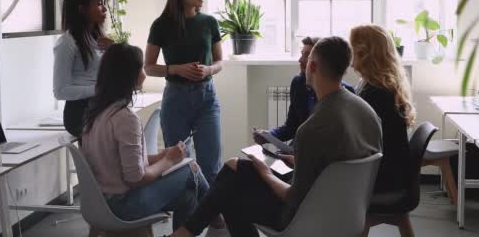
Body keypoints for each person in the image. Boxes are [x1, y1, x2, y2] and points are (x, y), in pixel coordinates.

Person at [171, 37, 383, 237]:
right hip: (347, 211)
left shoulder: (312, 128)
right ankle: (187, 232)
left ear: (313, 67)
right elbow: (337, 163)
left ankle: (186, 232)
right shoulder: (368, 112)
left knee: (231, 194)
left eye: (306, 58)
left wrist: (266, 174)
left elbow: (292, 198)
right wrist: (296, 160)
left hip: (309, 216)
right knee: (233, 166)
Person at [81, 43, 211, 232]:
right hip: (123, 206)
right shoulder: (125, 119)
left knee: (188, 195)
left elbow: (119, 163)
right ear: (129, 75)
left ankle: (217, 218)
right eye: (141, 68)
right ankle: (219, 218)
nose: (144, 73)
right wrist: (168, 160)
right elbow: (136, 178)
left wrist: (159, 157)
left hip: (101, 202)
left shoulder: (96, 114)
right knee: (191, 168)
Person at [145, 0, 223, 184]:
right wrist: (175, 69)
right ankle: (187, 217)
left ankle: (213, 215)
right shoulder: (161, 25)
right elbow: (149, 67)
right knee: (180, 165)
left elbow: (219, 62)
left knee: (211, 165)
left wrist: (208, 70)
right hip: (176, 99)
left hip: (207, 98)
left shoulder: (209, 23)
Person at [350, 24, 416, 194]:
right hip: (392, 172)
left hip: (384, 178)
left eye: (352, 48)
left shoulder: (377, 93)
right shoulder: (379, 86)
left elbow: (359, 142)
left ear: (364, 54)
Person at [253, 36, 354, 146]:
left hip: (312, 158)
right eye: (302, 54)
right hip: (297, 152)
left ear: (320, 63)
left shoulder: (346, 95)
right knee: (234, 162)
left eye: (308, 56)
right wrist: (269, 136)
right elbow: (291, 127)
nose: (300, 60)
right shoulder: (298, 84)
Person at [53, 0, 114, 137]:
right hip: (81, 114)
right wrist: (100, 90)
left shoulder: (98, 39)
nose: (105, 9)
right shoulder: (67, 43)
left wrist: (115, 50)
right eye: (99, 4)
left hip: (101, 108)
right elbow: (60, 91)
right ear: (82, 9)